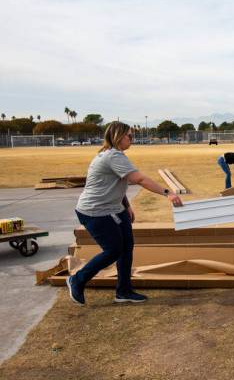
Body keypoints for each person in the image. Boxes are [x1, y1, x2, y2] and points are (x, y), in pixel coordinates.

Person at [66, 122, 183, 306]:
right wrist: (168, 193)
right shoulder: (112, 156)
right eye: (129, 136)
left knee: (127, 247)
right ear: (118, 136)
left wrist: (126, 205)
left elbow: (116, 183)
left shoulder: (116, 155)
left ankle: (123, 291)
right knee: (114, 250)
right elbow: (139, 179)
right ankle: (77, 279)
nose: (132, 140)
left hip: (114, 209)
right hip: (95, 211)